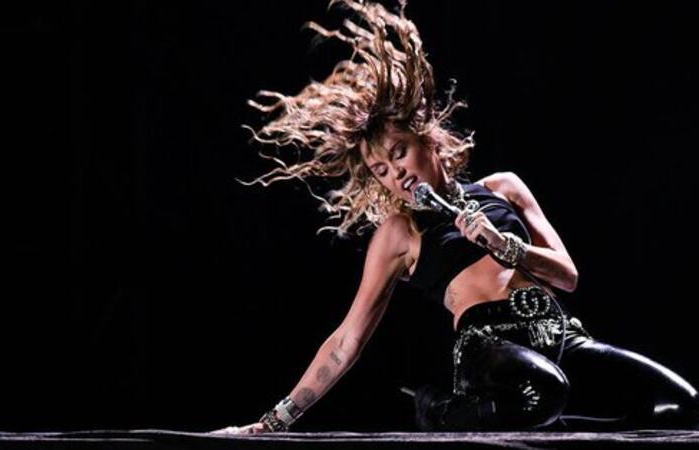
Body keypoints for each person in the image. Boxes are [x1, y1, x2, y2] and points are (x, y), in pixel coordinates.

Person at [212, 0, 699, 434]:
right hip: (490, 348)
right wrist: (274, 420)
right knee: (541, 391)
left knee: (680, 406)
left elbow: (567, 276)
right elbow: (346, 340)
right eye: (381, 171)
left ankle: (535, 415)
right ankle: (439, 409)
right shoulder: (402, 233)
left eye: (399, 153)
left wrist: (504, 245)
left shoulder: (504, 188)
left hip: (560, 338)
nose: (396, 174)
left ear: (427, 136)